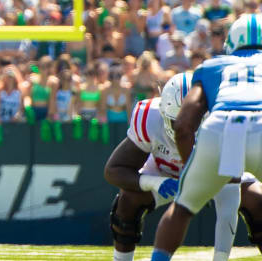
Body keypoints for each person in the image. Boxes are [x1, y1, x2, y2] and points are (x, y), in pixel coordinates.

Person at [105, 72, 262, 261]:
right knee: (127, 199)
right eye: (179, 121)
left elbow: (228, 203)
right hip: (168, 176)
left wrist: (220, 258)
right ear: (163, 112)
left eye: (195, 122)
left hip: (216, 176)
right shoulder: (150, 117)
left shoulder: (226, 121)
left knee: (257, 200)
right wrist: (154, 183)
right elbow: (114, 170)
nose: (187, 128)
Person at [150, 14, 262, 261]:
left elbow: (183, 124)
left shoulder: (213, 66)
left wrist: (194, 168)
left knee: (182, 208)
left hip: (222, 127)